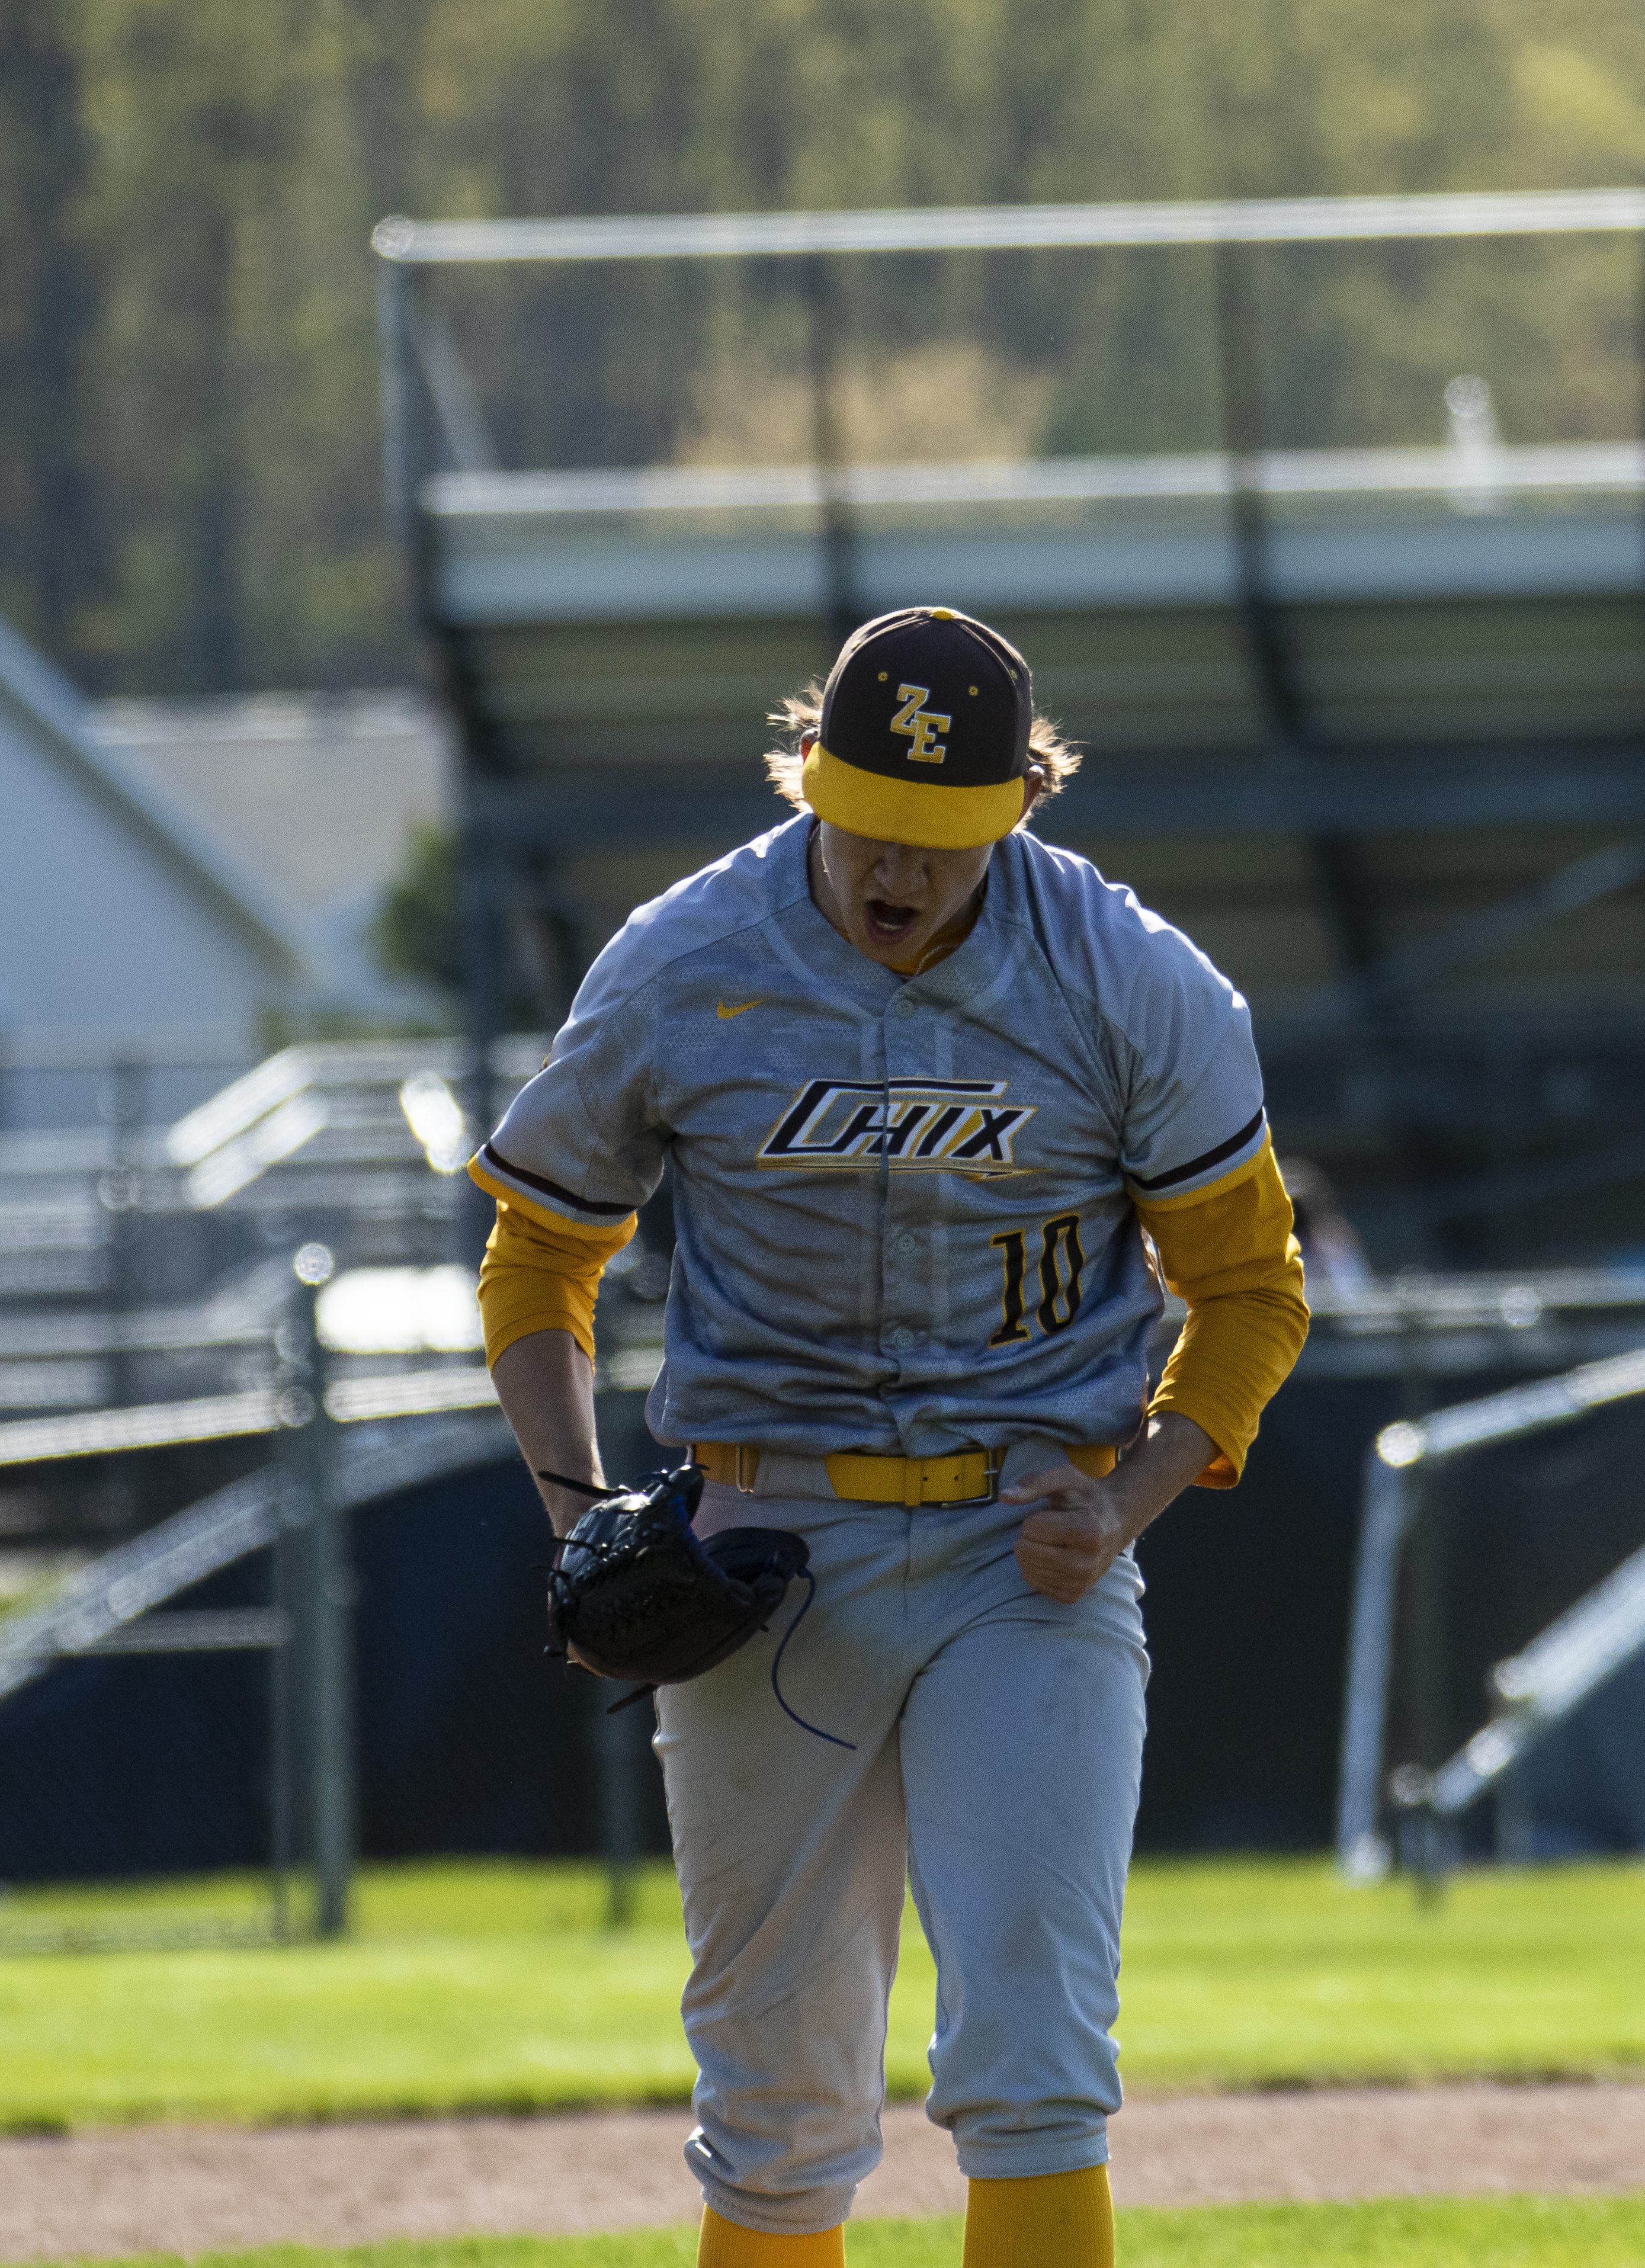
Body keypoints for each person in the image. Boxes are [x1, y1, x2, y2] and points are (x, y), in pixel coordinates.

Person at [469, 606, 1311, 2267]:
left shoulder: (1131, 978)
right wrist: (580, 1514)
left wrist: (1135, 1494)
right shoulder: (684, 957)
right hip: (766, 1556)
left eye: (943, 836)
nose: (901, 870)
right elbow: (539, 1256)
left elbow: (1250, 1289)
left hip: (1029, 1553)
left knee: (1037, 2068)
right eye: (871, 822)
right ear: (808, 774)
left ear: (1022, 805)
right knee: (776, 2106)